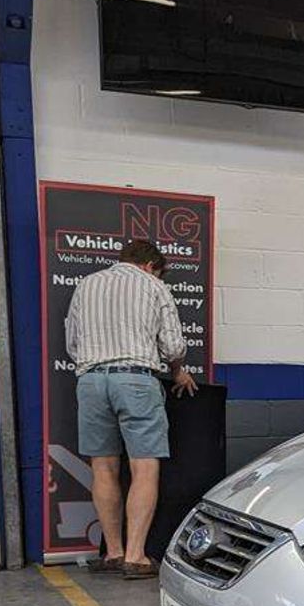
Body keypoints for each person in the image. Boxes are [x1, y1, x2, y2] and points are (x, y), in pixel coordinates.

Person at [64, 239, 196, 579]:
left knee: (103, 467)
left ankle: (113, 552)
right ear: (151, 265)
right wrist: (178, 370)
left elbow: (73, 343)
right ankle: (135, 557)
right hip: (135, 380)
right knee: (144, 468)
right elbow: (172, 344)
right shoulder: (154, 286)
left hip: (91, 381)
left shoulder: (87, 285)